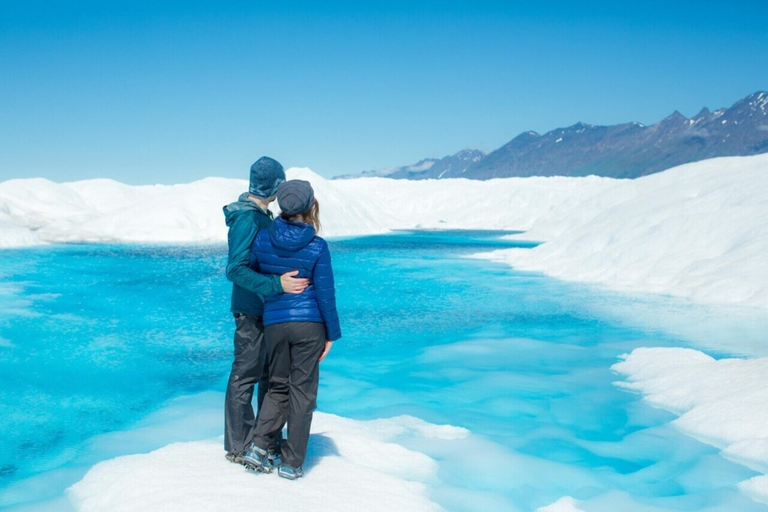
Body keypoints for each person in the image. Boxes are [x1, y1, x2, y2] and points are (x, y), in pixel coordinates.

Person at [243, 179, 341, 480]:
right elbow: (325, 293)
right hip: (309, 326)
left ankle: (259, 448)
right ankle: (291, 462)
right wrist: (331, 334)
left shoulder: (261, 239)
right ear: (311, 206)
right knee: (303, 392)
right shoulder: (317, 246)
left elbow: (250, 272)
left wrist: (275, 285)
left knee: (277, 386)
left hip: (275, 324)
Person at [222, 156, 309, 464]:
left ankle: (262, 440)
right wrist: (276, 284)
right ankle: (238, 446)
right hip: (250, 311)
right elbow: (235, 270)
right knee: (245, 374)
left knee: (268, 377)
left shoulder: (263, 216)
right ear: (274, 185)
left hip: (266, 310)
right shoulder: (247, 219)